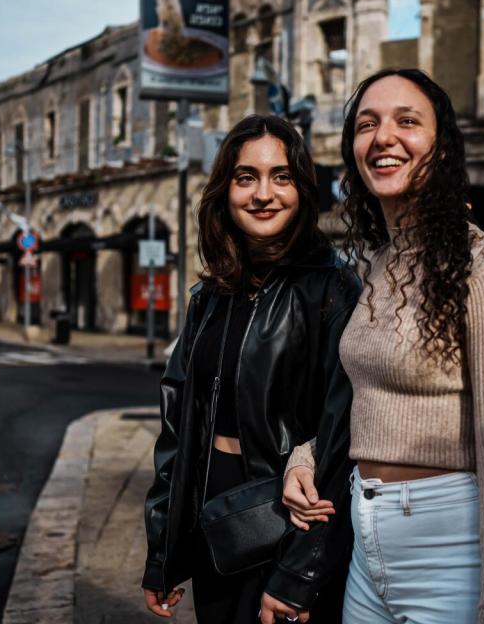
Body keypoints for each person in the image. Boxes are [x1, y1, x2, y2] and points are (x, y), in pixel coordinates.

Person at [282, 69, 484, 624]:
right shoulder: (375, 263)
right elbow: (359, 394)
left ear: (443, 147)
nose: (383, 137)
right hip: (366, 544)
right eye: (367, 123)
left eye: (408, 121)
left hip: (452, 553)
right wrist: (305, 455)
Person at [142, 114, 360, 623]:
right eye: (247, 177)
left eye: (281, 176)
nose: (264, 193)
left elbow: (342, 443)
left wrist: (301, 575)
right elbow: (178, 433)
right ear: (226, 190)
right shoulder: (210, 296)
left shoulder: (333, 289)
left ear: (303, 188)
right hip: (215, 520)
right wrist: (164, 554)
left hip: (287, 522)